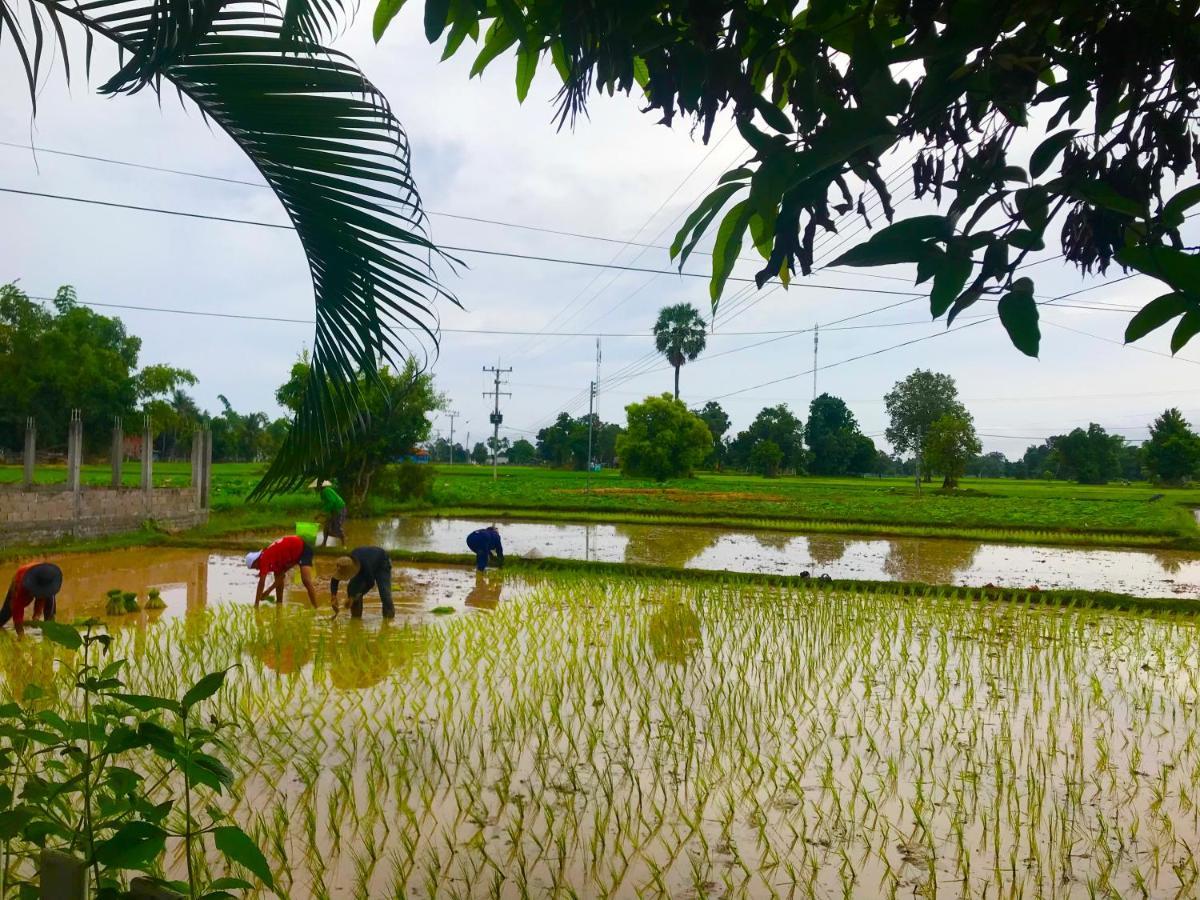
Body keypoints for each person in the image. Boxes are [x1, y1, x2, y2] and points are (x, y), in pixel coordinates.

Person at [246, 535, 319, 607]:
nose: (256, 569)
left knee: (306, 580)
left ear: (255, 561)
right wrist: (268, 591)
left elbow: (261, 582)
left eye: (254, 567)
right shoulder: (269, 558)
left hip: (303, 549)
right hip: (291, 552)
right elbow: (281, 577)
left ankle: (316, 608)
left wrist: (256, 604)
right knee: (277, 575)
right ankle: (279, 605)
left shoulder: (263, 559)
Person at [1, 562, 62, 636]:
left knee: (50, 611)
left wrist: (36, 615)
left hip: (43, 578)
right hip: (22, 577)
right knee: (6, 613)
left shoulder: (48, 582)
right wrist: (21, 634)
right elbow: (17, 609)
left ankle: (50, 633)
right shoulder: (21, 586)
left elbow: (41, 599)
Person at [330, 547, 394, 618]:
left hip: (382, 562)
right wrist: (333, 596)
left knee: (385, 594)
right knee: (352, 590)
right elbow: (334, 579)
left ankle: (389, 619)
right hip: (367, 561)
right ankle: (356, 618)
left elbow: (370, 583)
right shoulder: (345, 563)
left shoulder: (364, 566)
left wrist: (354, 597)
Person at [312, 479, 347, 547]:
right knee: (326, 527)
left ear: (319, 486)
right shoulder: (323, 492)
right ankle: (324, 543)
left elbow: (331, 502)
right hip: (334, 510)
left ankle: (344, 544)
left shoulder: (326, 491)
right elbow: (328, 504)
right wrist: (326, 514)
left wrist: (320, 513)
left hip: (339, 509)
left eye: (315, 487)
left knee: (336, 528)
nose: (314, 489)